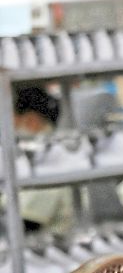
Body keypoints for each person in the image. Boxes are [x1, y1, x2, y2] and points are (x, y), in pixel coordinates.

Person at [13, 85, 73, 235]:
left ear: (31, 121)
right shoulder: (30, 154)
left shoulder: (49, 157)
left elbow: (29, 223)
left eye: (12, 118)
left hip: (47, 249)